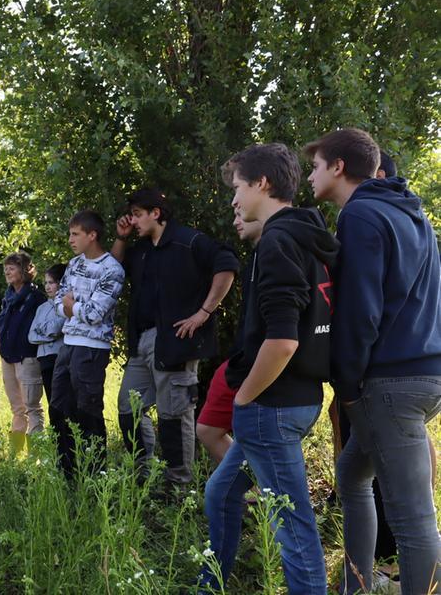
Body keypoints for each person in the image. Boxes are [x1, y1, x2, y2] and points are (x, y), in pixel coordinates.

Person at [305, 128, 441, 595]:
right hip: (424, 373)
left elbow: (361, 310)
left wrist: (346, 381)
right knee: (351, 472)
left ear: (339, 167)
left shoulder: (360, 215)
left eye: (316, 165)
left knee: (412, 517)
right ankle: (355, 585)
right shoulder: (411, 212)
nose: (310, 175)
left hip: (388, 381)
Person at [200, 143, 339, 594]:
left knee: (294, 528)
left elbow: (282, 340)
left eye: (238, 188)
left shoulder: (279, 241)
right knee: (222, 492)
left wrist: (243, 398)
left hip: (271, 406)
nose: (234, 200)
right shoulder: (306, 238)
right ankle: (212, 583)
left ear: (262, 183)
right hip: (296, 399)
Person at [111, 188, 238, 487]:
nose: (135, 221)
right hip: (141, 343)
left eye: (139, 215)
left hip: (175, 342)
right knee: (128, 408)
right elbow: (114, 269)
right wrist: (122, 237)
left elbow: (227, 265)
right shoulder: (140, 249)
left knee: (174, 415)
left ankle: (178, 485)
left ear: (156, 213)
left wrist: (203, 313)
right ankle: (144, 474)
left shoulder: (188, 241)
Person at [50, 210, 124, 478]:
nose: (70, 239)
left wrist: (72, 306)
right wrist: (72, 307)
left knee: (87, 412)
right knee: (58, 408)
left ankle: (94, 476)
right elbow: (58, 302)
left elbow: (96, 314)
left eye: (75, 234)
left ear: (92, 235)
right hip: (67, 345)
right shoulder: (74, 264)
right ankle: (67, 472)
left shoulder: (111, 270)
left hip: (92, 349)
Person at [196, 212, 262, 466]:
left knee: (267, 443)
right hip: (241, 360)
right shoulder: (257, 254)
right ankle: (254, 490)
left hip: (263, 366)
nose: (236, 219)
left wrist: (245, 395)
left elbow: (283, 339)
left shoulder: (279, 250)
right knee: (208, 429)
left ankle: (269, 496)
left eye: (241, 213)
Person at [0, 252, 47, 456]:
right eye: (6, 267)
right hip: (7, 355)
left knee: (32, 407)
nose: (7, 271)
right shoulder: (7, 297)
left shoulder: (36, 297)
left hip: (28, 356)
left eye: (12, 267)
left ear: (25, 270)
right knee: (17, 408)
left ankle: (36, 457)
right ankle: (15, 456)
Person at [28, 263, 67, 406]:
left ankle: (66, 428)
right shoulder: (42, 308)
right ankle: (55, 428)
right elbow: (31, 336)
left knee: (61, 397)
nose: (47, 287)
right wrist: (49, 334)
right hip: (43, 359)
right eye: (46, 283)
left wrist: (42, 329)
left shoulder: (65, 305)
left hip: (58, 355)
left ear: (61, 283)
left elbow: (56, 329)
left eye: (51, 283)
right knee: (50, 398)